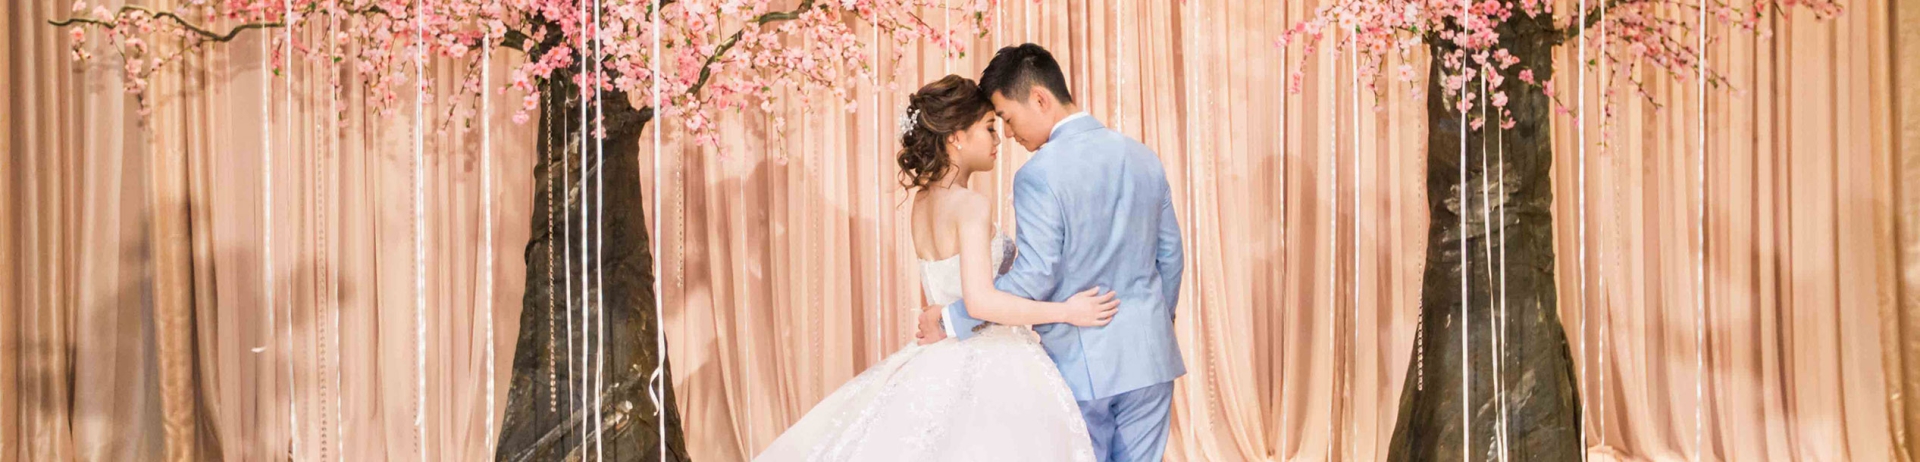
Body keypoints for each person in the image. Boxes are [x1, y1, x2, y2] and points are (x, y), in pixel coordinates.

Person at [751, 74, 1114, 462]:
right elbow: (980, 304)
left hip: (939, 354)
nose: (998, 140)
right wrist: (1068, 312)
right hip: (992, 356)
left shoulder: (923, 203)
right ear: (956, 136)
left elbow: (937, 296)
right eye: (989, 128)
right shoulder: (971, 206)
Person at [919, 43, 1187, 462]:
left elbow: (1034, 276)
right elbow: (1170, 255)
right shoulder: (1143, 157)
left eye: (1006, 118)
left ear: (1040, 99)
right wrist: (1151, 320)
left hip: (1081, 363)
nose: (1007, 133)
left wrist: (954, 317)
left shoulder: (1038, 176)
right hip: (1151, 356)